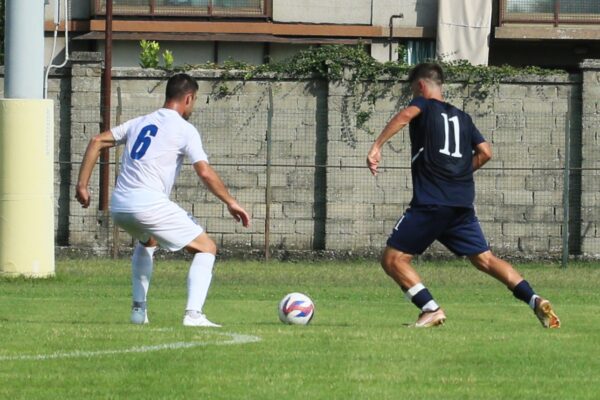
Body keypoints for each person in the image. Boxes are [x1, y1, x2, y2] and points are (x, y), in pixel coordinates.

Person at [366, 63, 560, 329]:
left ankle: (430, 309)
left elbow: (404, 116)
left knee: (392, 259)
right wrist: (459, 173)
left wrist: (377, 146)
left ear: (421, 87)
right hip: (460, 204)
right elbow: (485, 152)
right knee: (485, 259)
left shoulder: (423, 104)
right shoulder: (463, 118)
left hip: (432, 202)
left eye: (414, 91)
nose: (414, 96)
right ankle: (534, 299)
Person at [76, 73, 250, 327]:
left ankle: (138, 310)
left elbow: (96, 141)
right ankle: (193, 315)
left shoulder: (140, 123)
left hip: (120, 206)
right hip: (149, 205)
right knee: (207, 248)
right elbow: (204, 171)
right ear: (188, 98)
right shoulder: (185, 129)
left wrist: (82, 185)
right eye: (195, 100)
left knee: (148, 240)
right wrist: (230, 201)